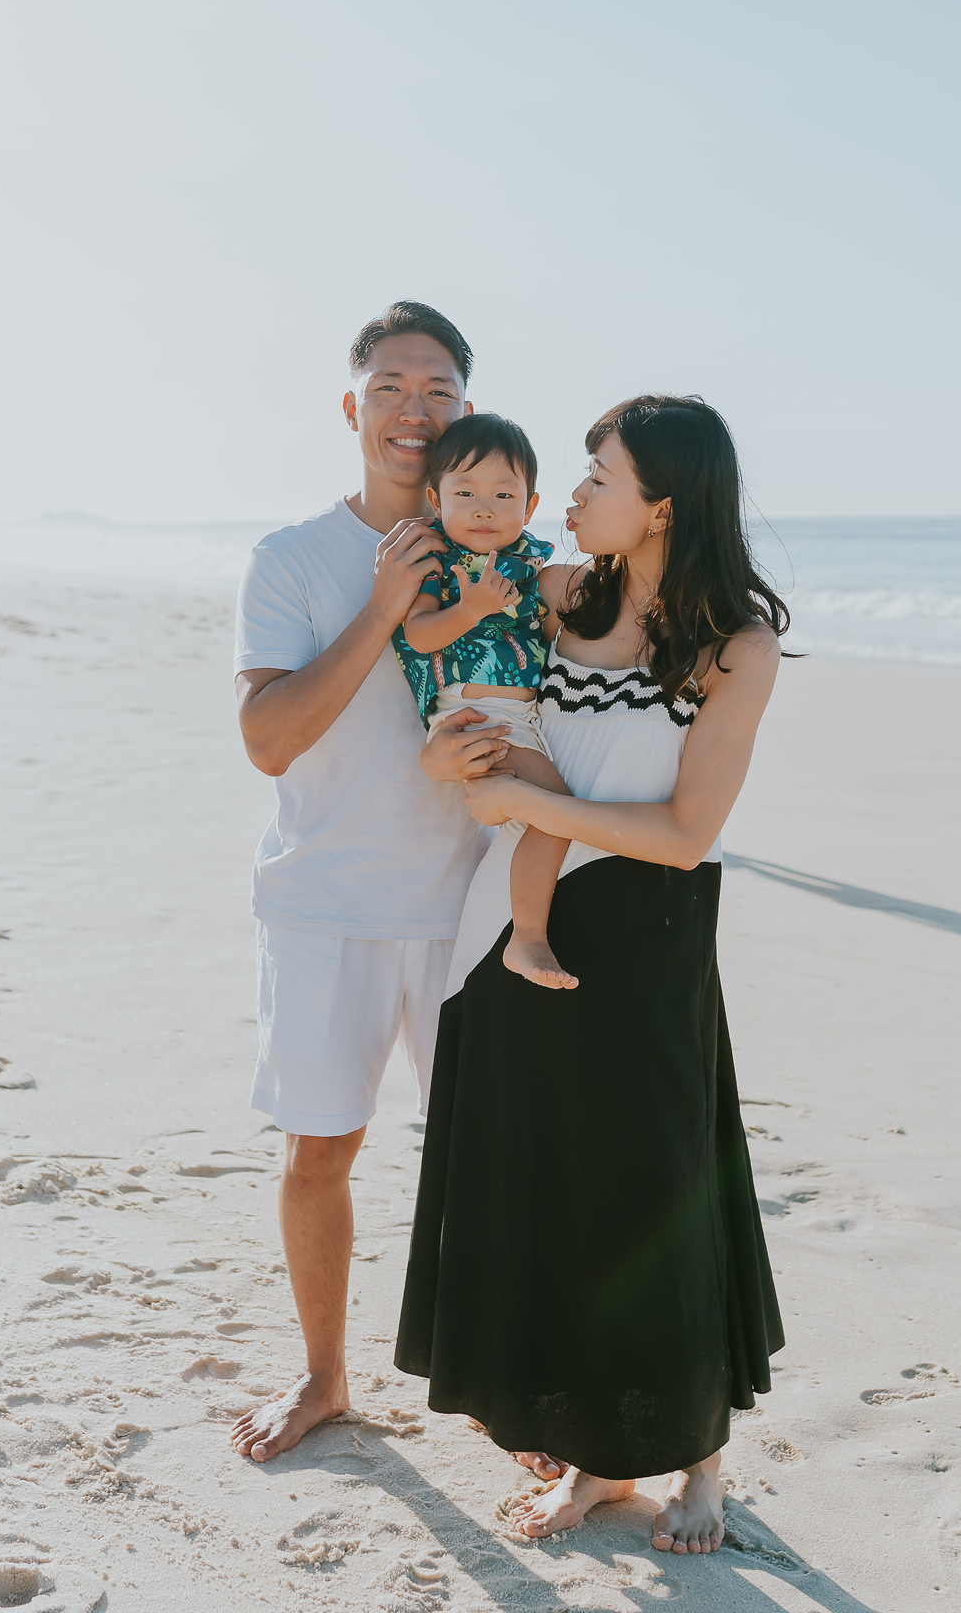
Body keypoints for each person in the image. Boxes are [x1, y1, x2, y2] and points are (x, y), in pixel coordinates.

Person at [396, 393, 789, 1554]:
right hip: (513, 928)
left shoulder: (739, 646)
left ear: (662, 502)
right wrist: (441, 749)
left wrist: (520, 800)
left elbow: (683, 830)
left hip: (646, 939)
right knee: (547, 1189)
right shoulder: (564, 592)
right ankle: (587, 1465)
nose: (572, 498)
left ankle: (699, 1462)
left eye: (598, 475)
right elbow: (449, 636)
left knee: (655, 1192)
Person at [228, 301, 511, 1464]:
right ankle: (325, 1377)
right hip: (325, 901)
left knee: (485, 1155)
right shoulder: (292, 558)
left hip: (463, 904)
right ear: (354, 409)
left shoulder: (501, 549)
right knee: (320, 1152)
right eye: (391, 387)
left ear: (467, 410)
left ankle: (498, 1388)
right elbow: (268, 738)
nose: (415, 410)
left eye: (438, 389)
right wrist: (386, 606)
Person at [392, 414, 580, 991]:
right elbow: (419, 635)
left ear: (529, 505)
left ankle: (516, 924)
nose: (484, 509)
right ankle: (527, 937)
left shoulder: (532, 566)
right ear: (435, 498)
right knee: (556, 812)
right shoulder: (438, 564)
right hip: (472, 715)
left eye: (504, 495)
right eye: (465, 493)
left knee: (546, 817)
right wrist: (469, 609)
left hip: (524, 719)